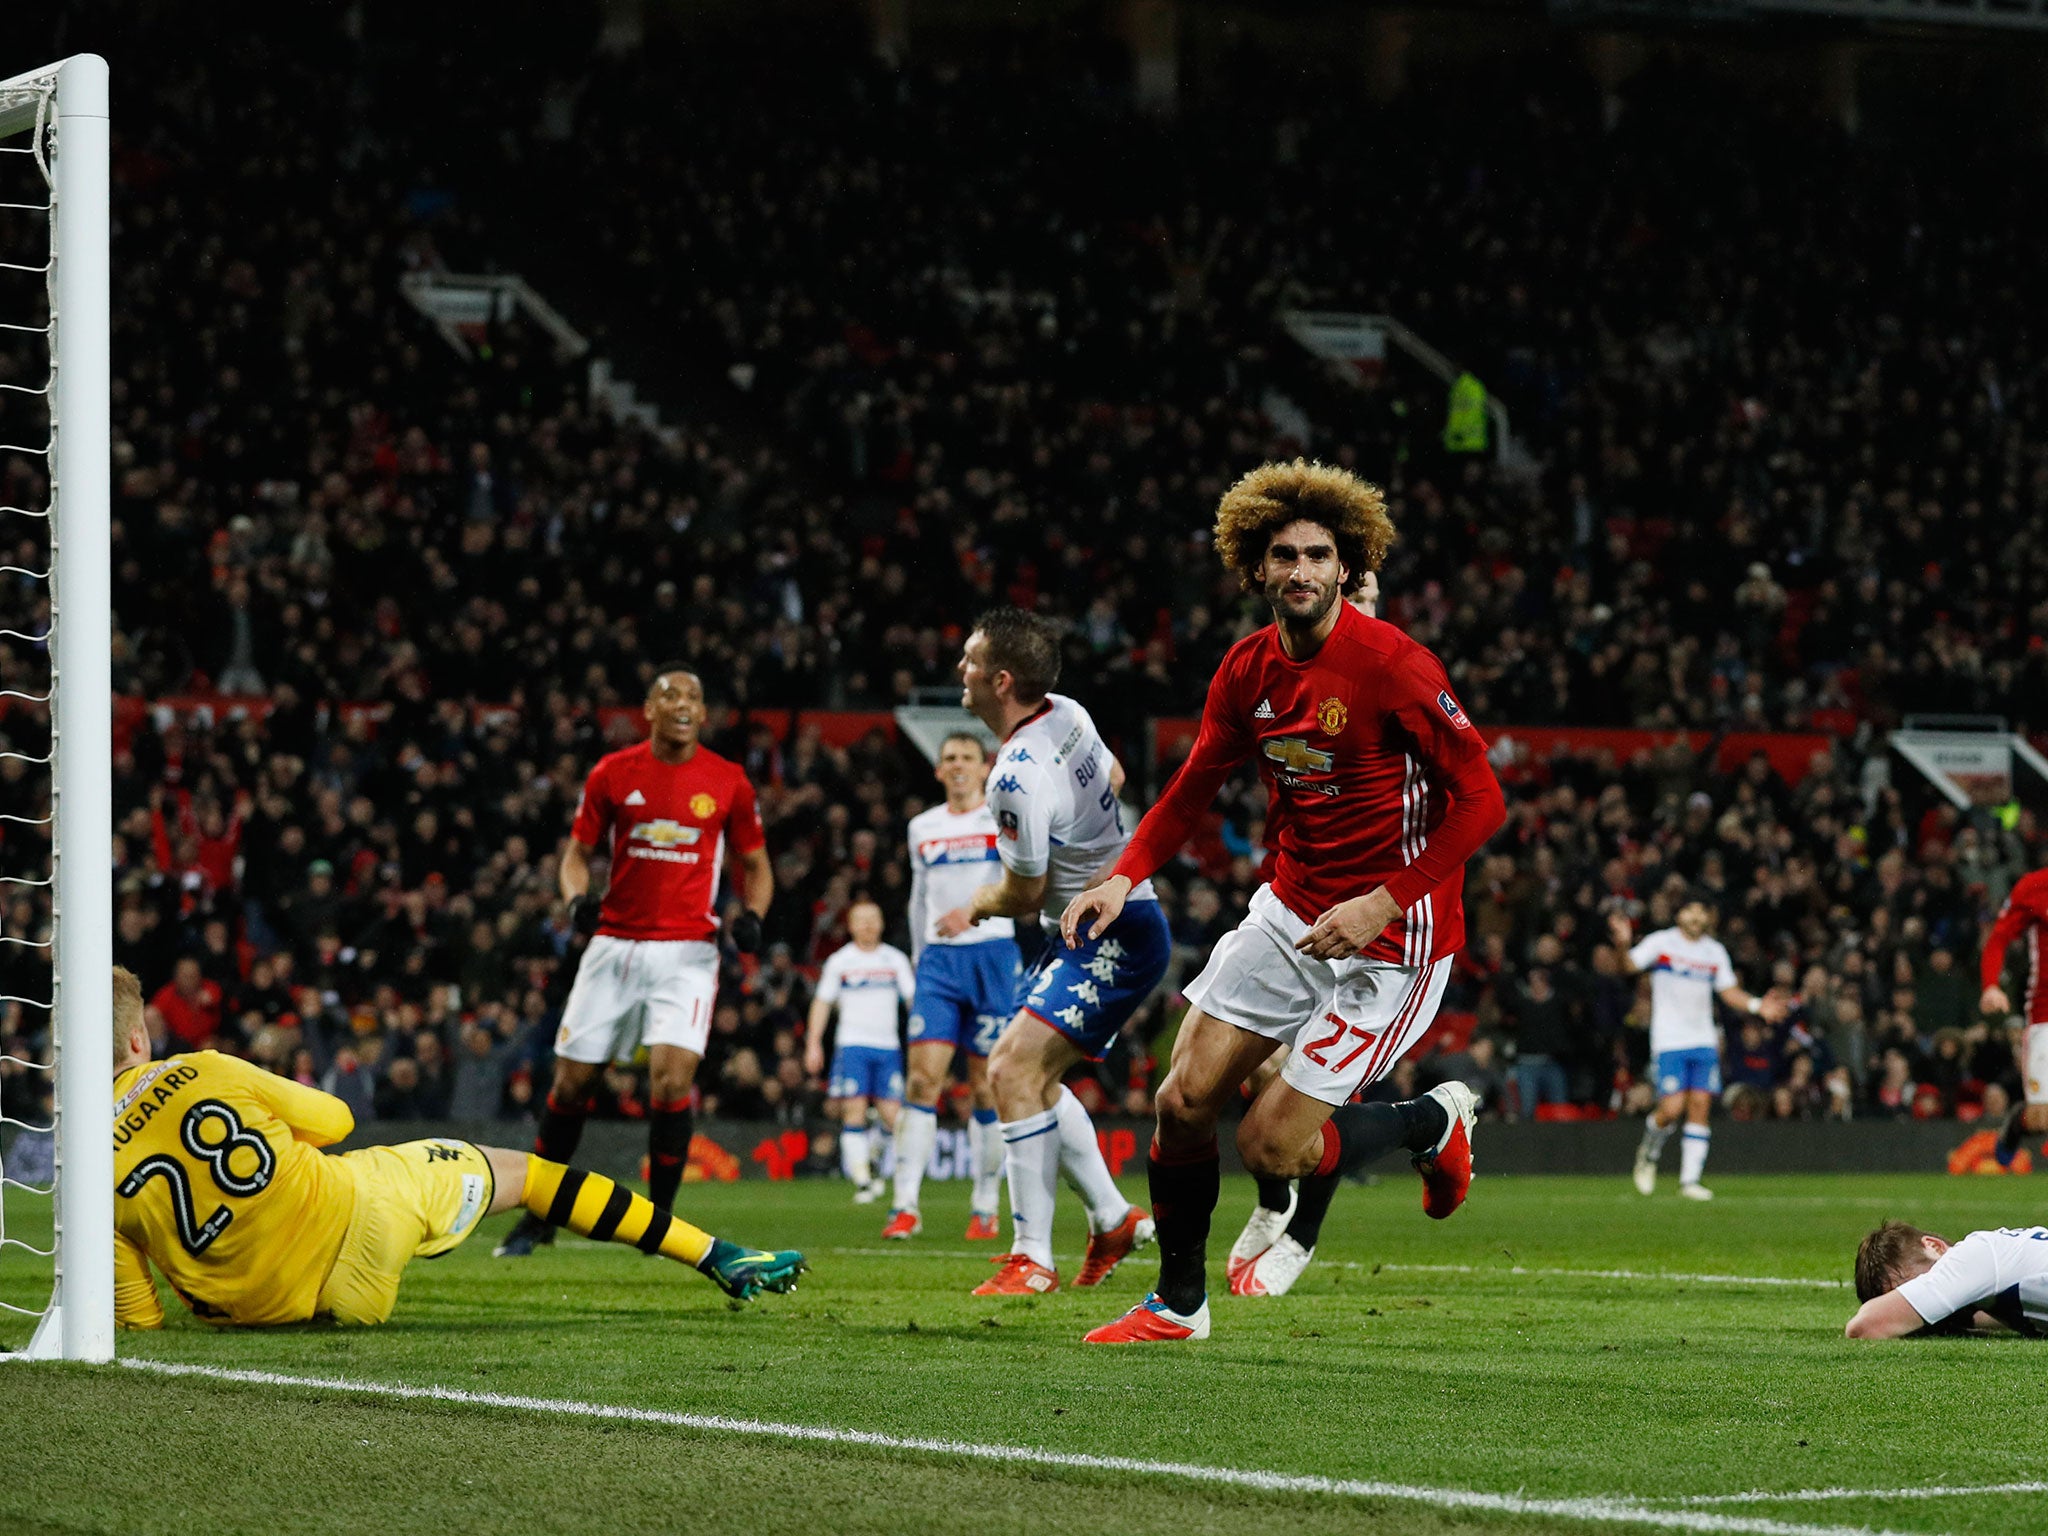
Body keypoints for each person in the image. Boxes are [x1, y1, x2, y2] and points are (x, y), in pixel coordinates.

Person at [1064, 460, 1506, 1343]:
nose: (1300, 570)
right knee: (1182, 1101)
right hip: (1294, 909)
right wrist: (1123, 872)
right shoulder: (1245, 670)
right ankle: (1178, 1305)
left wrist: (1387, 901)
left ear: (1346, 568)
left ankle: (1432, 1119)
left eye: (1317, 555)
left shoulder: (1395, 666)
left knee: (1269, 1145)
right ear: (1255, 569)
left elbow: (1485, 799)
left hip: (1399, 936)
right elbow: (1191, 790)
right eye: (1283, 556)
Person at [106, 966, 802, 1329]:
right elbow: (340, 1119)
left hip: (253, 1313)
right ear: (140, 1039)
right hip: (363, 1236)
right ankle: (717, 1255)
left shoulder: (84, 1166)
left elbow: (137, 1315)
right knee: (528, 1175)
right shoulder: (208, 1067)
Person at [495, 665, 772, 1258]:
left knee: (670, 1081)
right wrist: (575, 901)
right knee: (571, 1085)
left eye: (694, 697)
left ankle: (661, 1223)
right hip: (614, 946)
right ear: (648, 709)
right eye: (671, 694)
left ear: (703, 714)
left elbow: (757, 863)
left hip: (688, 951)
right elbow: (576, 856)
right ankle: (540, 1215)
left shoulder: (728, 781)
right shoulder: (613, 773)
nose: (683, 704)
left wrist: (752, 914)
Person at [952, 606, 1164, 1296]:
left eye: (971, 661)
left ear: (1002, 680)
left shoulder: (1013, 778)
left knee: (1011, 1070)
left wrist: (972, 905)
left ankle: (1031, 1259)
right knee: (1030, 1075)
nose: (961, 670)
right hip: (1101, 920)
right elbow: (1119, 778)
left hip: (1114, 929)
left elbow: (1021, 893)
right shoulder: (1067, 712)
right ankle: (1111, 1219)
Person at [886, 731, 1019, 1241]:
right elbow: (919, 896)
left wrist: (977, 911)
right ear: (938, 770)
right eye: (949, 758)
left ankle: (984, 1205)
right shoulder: (922, 827)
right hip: (939, 962)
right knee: (922, 1081)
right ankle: (905, 1206)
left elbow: (1023, 881)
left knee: (985, 1085)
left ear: (983, 768)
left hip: (993, 952)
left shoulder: (1001, 818)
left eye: (966, 757)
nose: (958, 765)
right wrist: (921, 956)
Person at [1612, 897, 1785, 1202]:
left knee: (1701, 1105)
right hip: (1669, 1039)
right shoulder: (1661, 942)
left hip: (1703, 1038)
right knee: (1671, 1108)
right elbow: (1627, 966)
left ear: (1708, 917)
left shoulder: (1713, 951)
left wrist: (1758, 1005)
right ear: (1678, 914)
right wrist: (1623, 944)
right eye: (1689, 910)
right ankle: (1650, 1148)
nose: (1695, 916)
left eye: (1701, 911)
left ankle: (1690, 1180)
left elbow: (1728, 991)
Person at [803, 899, 916, 1204]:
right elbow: (822, 1002)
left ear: (881, 923)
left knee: (893, 1118)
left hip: (888, 1047)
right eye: (861, 919)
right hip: (852, 1045)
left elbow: (912, 1000)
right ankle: (863, 1181)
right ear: (850, 925)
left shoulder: (894, 960)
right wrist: (813, 1042)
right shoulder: (841, 961)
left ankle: (875, 1160)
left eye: (873, 918)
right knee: (853, 1110)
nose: (867, 925)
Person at [1845, 1218, 2048, 1338]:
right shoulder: (2000, 1272)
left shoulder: (1967, 1257)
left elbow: (1863, 1326)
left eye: (1915, 1288)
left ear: (1933, 1247)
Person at [1982, 867, 2048, 1168]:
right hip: (2045, 1014)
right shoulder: (2035, 886)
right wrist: (1991, 985)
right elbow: (1999, 939)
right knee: (2041, 1117)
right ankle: (2021, 1120)